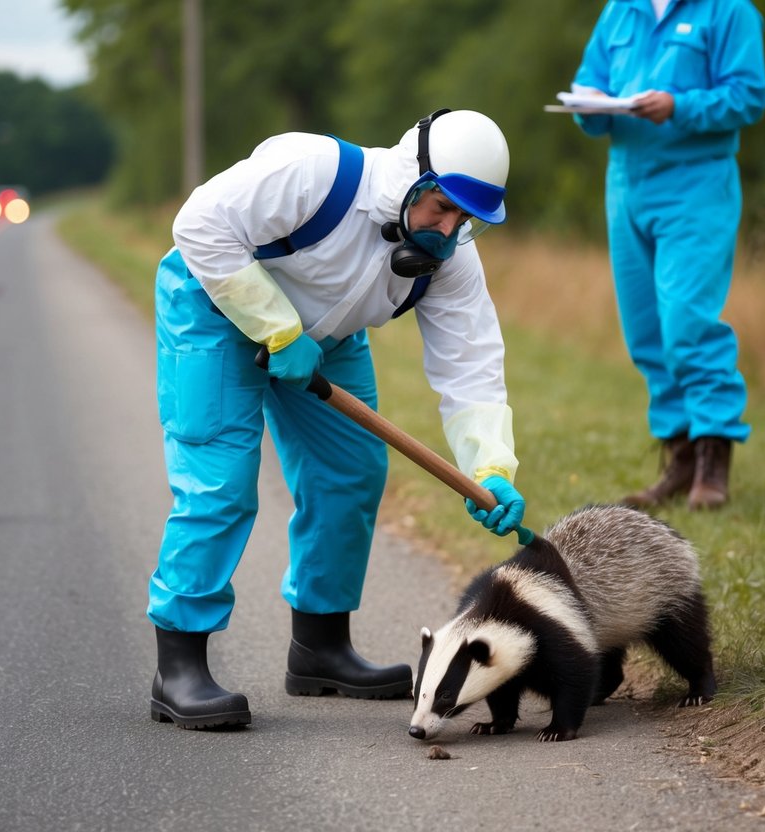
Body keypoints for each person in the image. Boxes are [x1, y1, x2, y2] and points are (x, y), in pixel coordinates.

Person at [147, 109, 527, 730]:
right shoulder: (317, 172)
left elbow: (471, 367)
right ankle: (178, 664)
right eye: (442, 207)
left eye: (468, 219)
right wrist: (275, 326)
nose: (449, 228)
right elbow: (200, 224)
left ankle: (319, 647)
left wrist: (490, 466)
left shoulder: (449, 260)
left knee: (350, 473)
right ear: (414, 176)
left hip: (326, 339)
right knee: (221, 484)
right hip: (214, 306)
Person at [570, 0, 765, 510]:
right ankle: (680, 456)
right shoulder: (620, 10)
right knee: (645, 330)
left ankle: (713, 455)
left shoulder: (728, 11)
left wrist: (678, 105)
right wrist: (589, 107)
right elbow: (589, 81)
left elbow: (748, 96)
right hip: (626, 184)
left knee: (686, 321)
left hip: (695, 185)